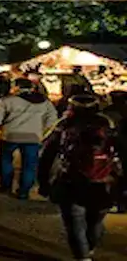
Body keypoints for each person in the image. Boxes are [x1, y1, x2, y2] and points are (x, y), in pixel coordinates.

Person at [38, 94, 122, 261]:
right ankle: (89, 248)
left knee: (75, 222)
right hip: (103, 182)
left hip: (71, 180)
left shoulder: (64, 125)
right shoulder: (108, 124)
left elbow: (47, 154)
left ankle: (83, 257)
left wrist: (43, 181)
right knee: (95, 221)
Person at [0, 77, 59, 199]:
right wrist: (42, 131)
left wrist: (3, 128)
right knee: (29, 165)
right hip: (33, 137)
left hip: (10, 135)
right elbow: (53, 120)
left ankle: (6, 185)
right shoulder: (44, 101)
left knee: (6, 161)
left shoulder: (8, 100)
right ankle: (24, 191)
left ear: (17, 87)